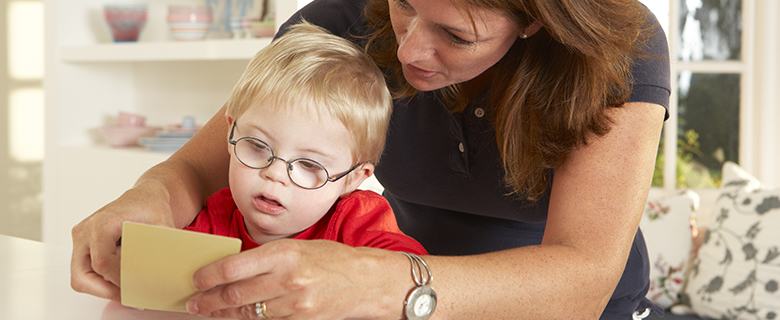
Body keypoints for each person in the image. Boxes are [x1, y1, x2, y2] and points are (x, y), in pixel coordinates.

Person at [70, 0, 670, 319]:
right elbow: (199, 167)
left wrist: (381, 286)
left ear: (535, 18)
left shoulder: (618, 52)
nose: (409, 46)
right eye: (403, 2)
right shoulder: (336, 25)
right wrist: (142, 200)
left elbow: (582, 281)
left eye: (456, 35)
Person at [181, 21, 426, 256]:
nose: (275, 174)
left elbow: (416, 277)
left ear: (352, 178)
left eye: (309, 164)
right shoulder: (214, 218)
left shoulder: (358, 222)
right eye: (257, 146)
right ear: (230, 131)